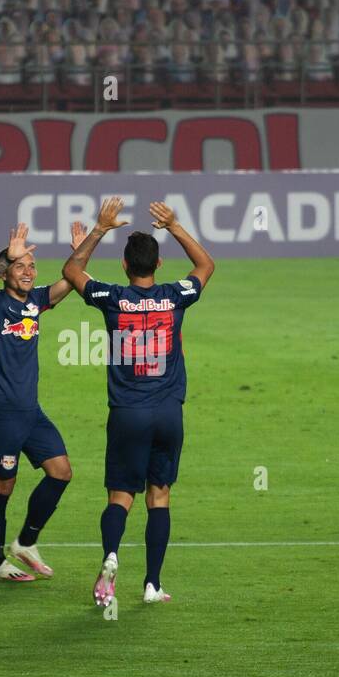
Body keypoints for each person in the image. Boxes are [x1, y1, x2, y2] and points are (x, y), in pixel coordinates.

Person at [60, 198, 214, 607]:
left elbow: (72, 272)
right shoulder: (174, 295)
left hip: (128, 414)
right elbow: (206, 267)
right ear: (158, 265)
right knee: (158, 496)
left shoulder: (112, 296)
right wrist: (176, 226)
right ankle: (152, 585)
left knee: (120, 497)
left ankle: (111, 555)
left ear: (125, 266)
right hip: (168, 414)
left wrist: (98, 230)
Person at [0, 221, 86, 581]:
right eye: (20, 267)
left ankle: (25, 542)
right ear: (7, 272)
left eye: (31, 266)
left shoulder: (36, 301)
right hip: (0, 413)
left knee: (61, 472)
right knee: (2, 487)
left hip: (30, 412)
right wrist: (7, 256)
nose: (28, 272)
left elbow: (71, 281)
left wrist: (79, 252)